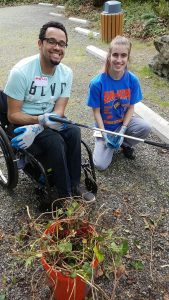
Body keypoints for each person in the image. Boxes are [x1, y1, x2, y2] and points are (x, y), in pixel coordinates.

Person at [4, 21, 95, 205]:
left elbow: (60, 108)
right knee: (55, 141)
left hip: (49, 119)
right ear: (40, 43)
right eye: (51, 41)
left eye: (62, 44)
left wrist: (52, 119)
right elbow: (12, 115)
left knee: (74, 131)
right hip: (24, 123)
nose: (57, 47)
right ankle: (63, 195)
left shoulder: (66, 73)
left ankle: (75, 184)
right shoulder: (21, 72)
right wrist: (39, 122)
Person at [86, 35, 151, 171]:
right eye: (115, 55)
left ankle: (124, 144)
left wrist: (122, 130)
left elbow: (131, 107)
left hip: (122, 123)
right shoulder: (97, 83)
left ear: (128, 58)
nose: (119, 60)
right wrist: (104, 134)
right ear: (109, 56)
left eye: (123, 55)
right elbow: (96, 112)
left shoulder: (132, 80)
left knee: (145, 127)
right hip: (105, 127)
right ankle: (107, 143)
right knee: (100, 165)